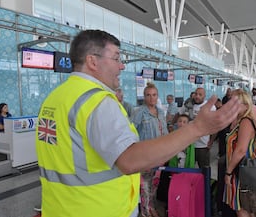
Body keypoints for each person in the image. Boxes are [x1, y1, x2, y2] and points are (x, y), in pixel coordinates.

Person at [35, 29, 240, 217]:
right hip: (98, 209)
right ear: (92, 61)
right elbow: (129, 160)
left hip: (60, 208)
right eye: (116, 58)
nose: (122, 65)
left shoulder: (56, 98)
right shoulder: (96, 102)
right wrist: (198, 128)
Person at [224, 89, 256, 217]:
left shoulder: (246, 121)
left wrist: (228, 172)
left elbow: (241, 150)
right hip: (242, 169)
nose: (231, 106)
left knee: (242, 207)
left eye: (235, 103)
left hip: (242, 171)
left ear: (246, 105)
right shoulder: (239, 120)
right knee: (247, 206)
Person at [132, 82, 168, 217]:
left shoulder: (160, 112)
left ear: (157, 96)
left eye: (154, 95)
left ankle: (151, 207)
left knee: (154, 185)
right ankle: (146, 212)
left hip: (159, 156)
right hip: (145, 156)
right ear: (144, 97)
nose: (151, 98)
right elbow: (131, 131)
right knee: (144, 187)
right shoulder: (140, 112)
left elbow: (164, 132)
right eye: (148, 95)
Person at [190, 87, 217, 168]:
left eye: (200, 94)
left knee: (204, 169)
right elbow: (180, 114)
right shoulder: (189, 105)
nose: (197, 96)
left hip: (203, 145)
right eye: (196, 94)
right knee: (189, 168)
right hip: (189, 144)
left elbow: (214, 126)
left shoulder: (210, 107)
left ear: (204, 96)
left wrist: (211, 141)